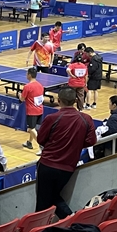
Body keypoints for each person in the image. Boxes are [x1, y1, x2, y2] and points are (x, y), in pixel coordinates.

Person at [36, 87, 97, 219]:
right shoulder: (86, 119)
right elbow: (91, 141)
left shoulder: (52, 118)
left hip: (47, 165)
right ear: (75, 101)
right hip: (68, 167)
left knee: (43, 202)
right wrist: (76, 145)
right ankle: (71, 218)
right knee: (53, 196)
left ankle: (69, 219)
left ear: (59, 100)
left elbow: (41, 139)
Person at [20, 67, 45, 152]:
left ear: (29, 75)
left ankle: (41, 146)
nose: (26, 75)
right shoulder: (40, 85)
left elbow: (22, 99)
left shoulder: (27, 87)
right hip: (40, 110)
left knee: (31, 129)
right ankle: (29, 142)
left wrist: (19, 95)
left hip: (32, 111)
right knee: (33, 128)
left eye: (27, 73)